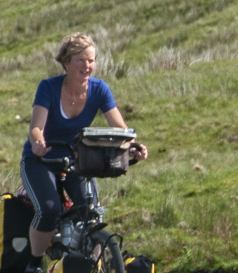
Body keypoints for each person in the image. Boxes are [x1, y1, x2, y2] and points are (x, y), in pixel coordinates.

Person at [22, 33, 147, 259]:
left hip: (77, 161)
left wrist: (134, 147)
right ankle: (34, 268)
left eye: (91, 60)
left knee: (92, 215)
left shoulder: (99, 90)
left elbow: (121, 129)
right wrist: (38, 143)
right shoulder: (48, 88)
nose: (87, 66)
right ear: (66, 62)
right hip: (41, 160)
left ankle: (94, 269)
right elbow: (35, 128)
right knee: (49, 210)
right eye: (80, 60)